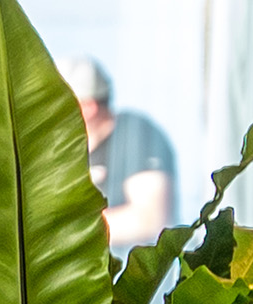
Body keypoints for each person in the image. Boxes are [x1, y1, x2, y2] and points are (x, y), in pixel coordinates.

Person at [64, 55, 175, 245]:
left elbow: (150, 220)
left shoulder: (136, 136)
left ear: (88, 108)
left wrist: (68, 232)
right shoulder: (65, 150)